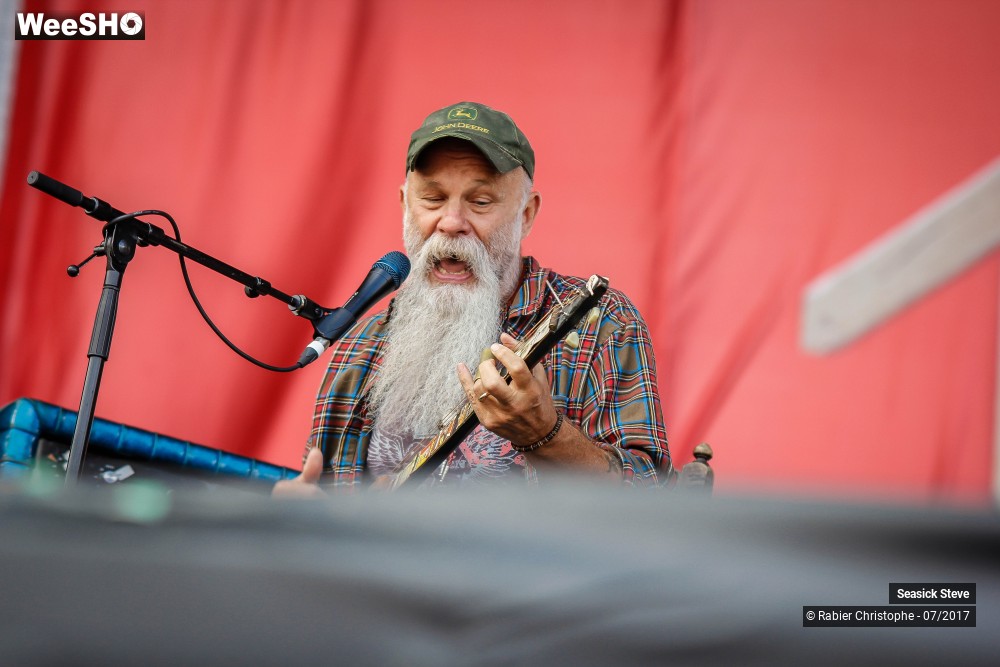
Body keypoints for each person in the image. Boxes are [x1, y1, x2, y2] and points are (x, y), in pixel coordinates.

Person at [274, 102, 669, 495]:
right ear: (404, 205)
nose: (451, 223)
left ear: (526, 215)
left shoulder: (599, 323)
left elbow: (653, 503)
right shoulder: (359, 346)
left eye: (480, 202)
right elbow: (328, 516)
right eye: (432, 198)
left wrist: (546, 436)